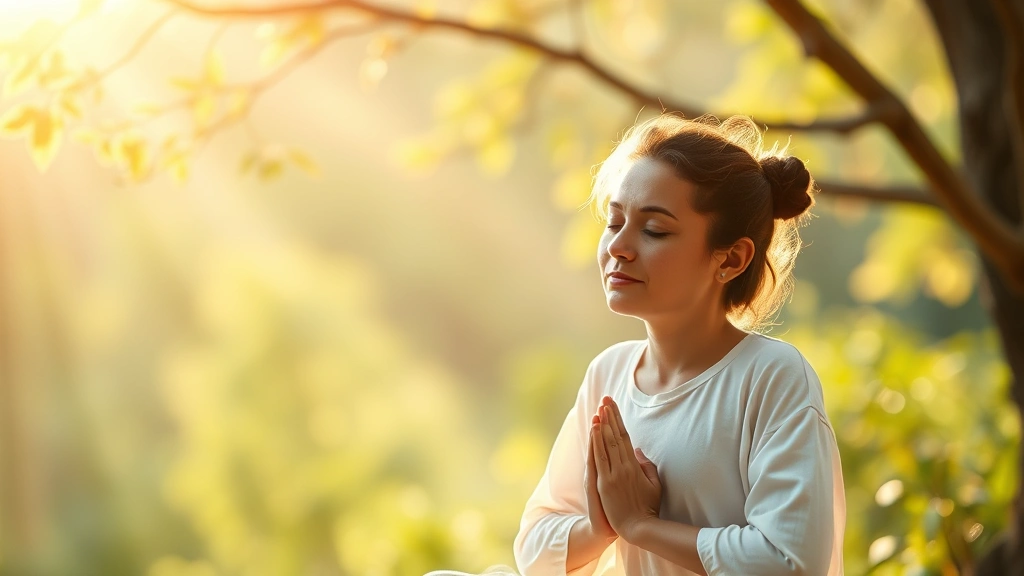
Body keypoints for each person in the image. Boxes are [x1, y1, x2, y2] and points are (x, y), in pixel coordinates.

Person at [509, 112, 846, 575]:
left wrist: (639, 525)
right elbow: (534, 546)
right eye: (614, 221)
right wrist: (604, 526)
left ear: (731, 258)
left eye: (654, 230)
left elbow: (787, 562)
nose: (619, 247)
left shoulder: (771, 376)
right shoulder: (609, 375)